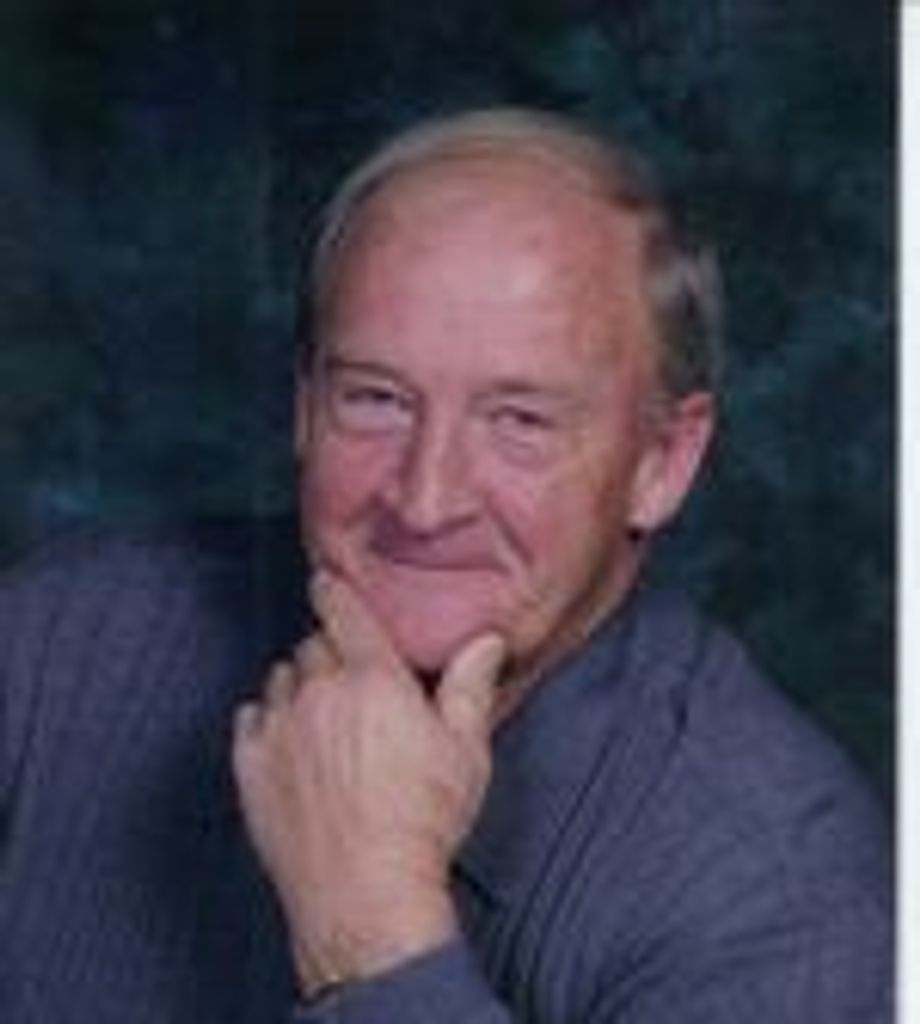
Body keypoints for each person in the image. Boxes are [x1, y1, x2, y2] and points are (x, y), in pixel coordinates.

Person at [1, 109, 890, 1022]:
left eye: (521, 421)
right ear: (305, 408)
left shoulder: (785, 905)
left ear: (663, 462)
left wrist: (373, 937)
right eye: (375, 399)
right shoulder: (57, 643)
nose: (425, 503)